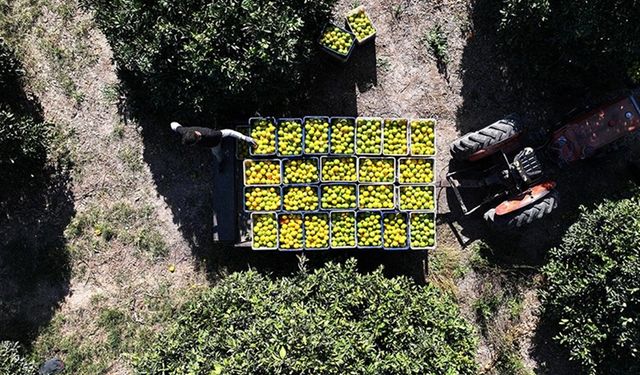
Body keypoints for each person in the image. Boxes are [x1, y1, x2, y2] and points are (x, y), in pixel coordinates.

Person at [170, 122, 257, 168]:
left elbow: (229, 132)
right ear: (194, 143)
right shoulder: (185, 132)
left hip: (215, 141)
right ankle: (221, 161)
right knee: (216, 153)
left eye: (197, 134)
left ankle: (220, 161)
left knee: (217, 150)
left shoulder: (211, 134)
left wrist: (245, 138)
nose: (199, 134)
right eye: (198, 137)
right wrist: (175, 127)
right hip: (212, 144)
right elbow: (174, 125)